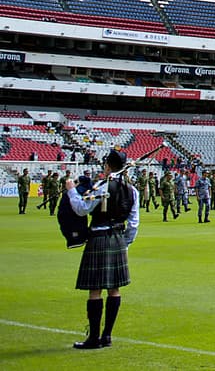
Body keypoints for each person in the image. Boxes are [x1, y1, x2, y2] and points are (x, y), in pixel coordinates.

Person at [63, 149, 138, 350]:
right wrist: (125, 243)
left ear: (107, 165)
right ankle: (107, 336)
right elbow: (134, 223)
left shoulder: (103, 187)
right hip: (118, 239)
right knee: (114, 289)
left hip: (99, 237)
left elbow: (81, 209)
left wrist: (71, 189)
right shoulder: (132, 190)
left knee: (95, 290)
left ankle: (94, 338)